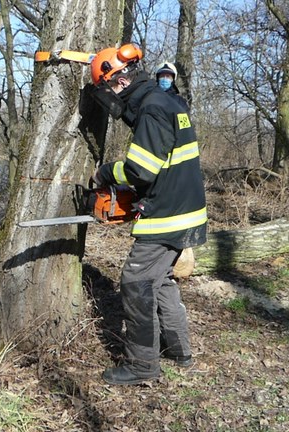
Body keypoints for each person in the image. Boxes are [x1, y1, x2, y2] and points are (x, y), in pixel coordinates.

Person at [88, 44, 208, 385]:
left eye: (108, 88)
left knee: (136, 282)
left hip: (167, 215)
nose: (109, 96)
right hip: (185, 210)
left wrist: (106, 174)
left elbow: (141, 170)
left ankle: (142, 366)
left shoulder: (153, 109)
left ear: (119, 82)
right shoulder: (166, 101)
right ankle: (179, 351)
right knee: (161, 282)